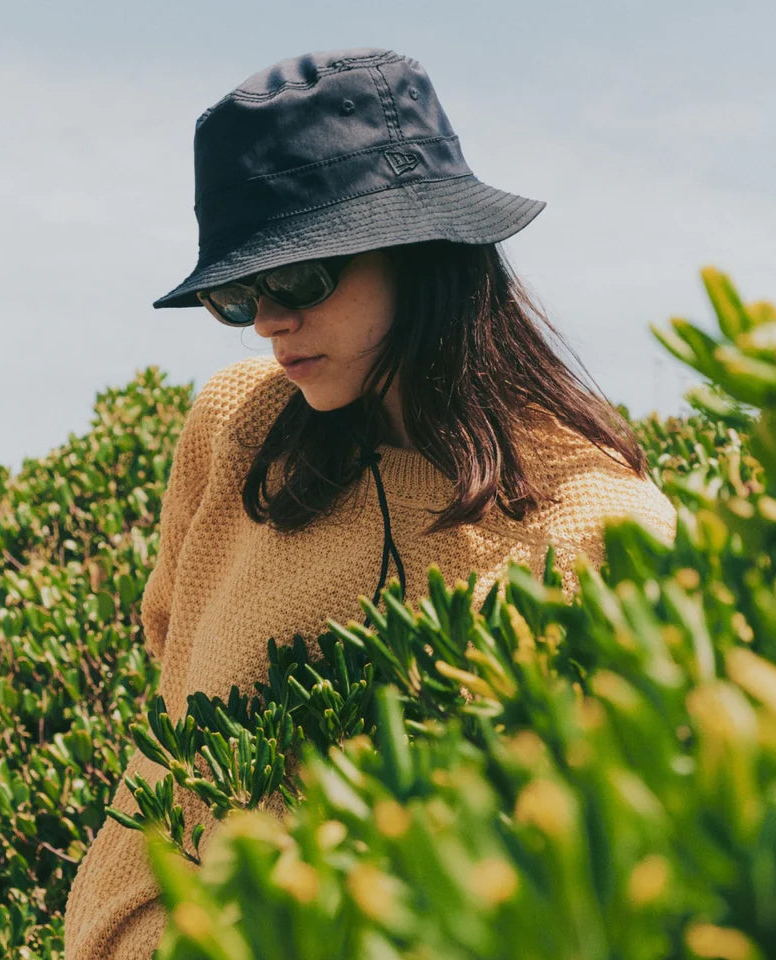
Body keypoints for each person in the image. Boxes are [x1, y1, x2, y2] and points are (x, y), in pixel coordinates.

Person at [63, 47, 677, 959]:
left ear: (424, 253)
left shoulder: (601, 521)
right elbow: (174, 700)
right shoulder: (236, 429)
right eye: (238, 294)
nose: (270, 319)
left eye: (302, 277)